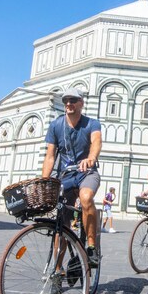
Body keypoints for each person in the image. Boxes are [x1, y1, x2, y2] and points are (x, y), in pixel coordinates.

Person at [42, 87, 103, 268]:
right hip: (65, 176)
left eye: (73, 100)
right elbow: (50, 156)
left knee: (86, 198)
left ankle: (91, 246)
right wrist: (45, 180)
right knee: (62, 225)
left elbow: (96, 142)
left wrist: (91, 158)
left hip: (87, 173)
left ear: (81, 103)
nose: (68, 103)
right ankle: (58, 270)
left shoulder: (92, 123)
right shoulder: (56, 125)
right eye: (66, 100)